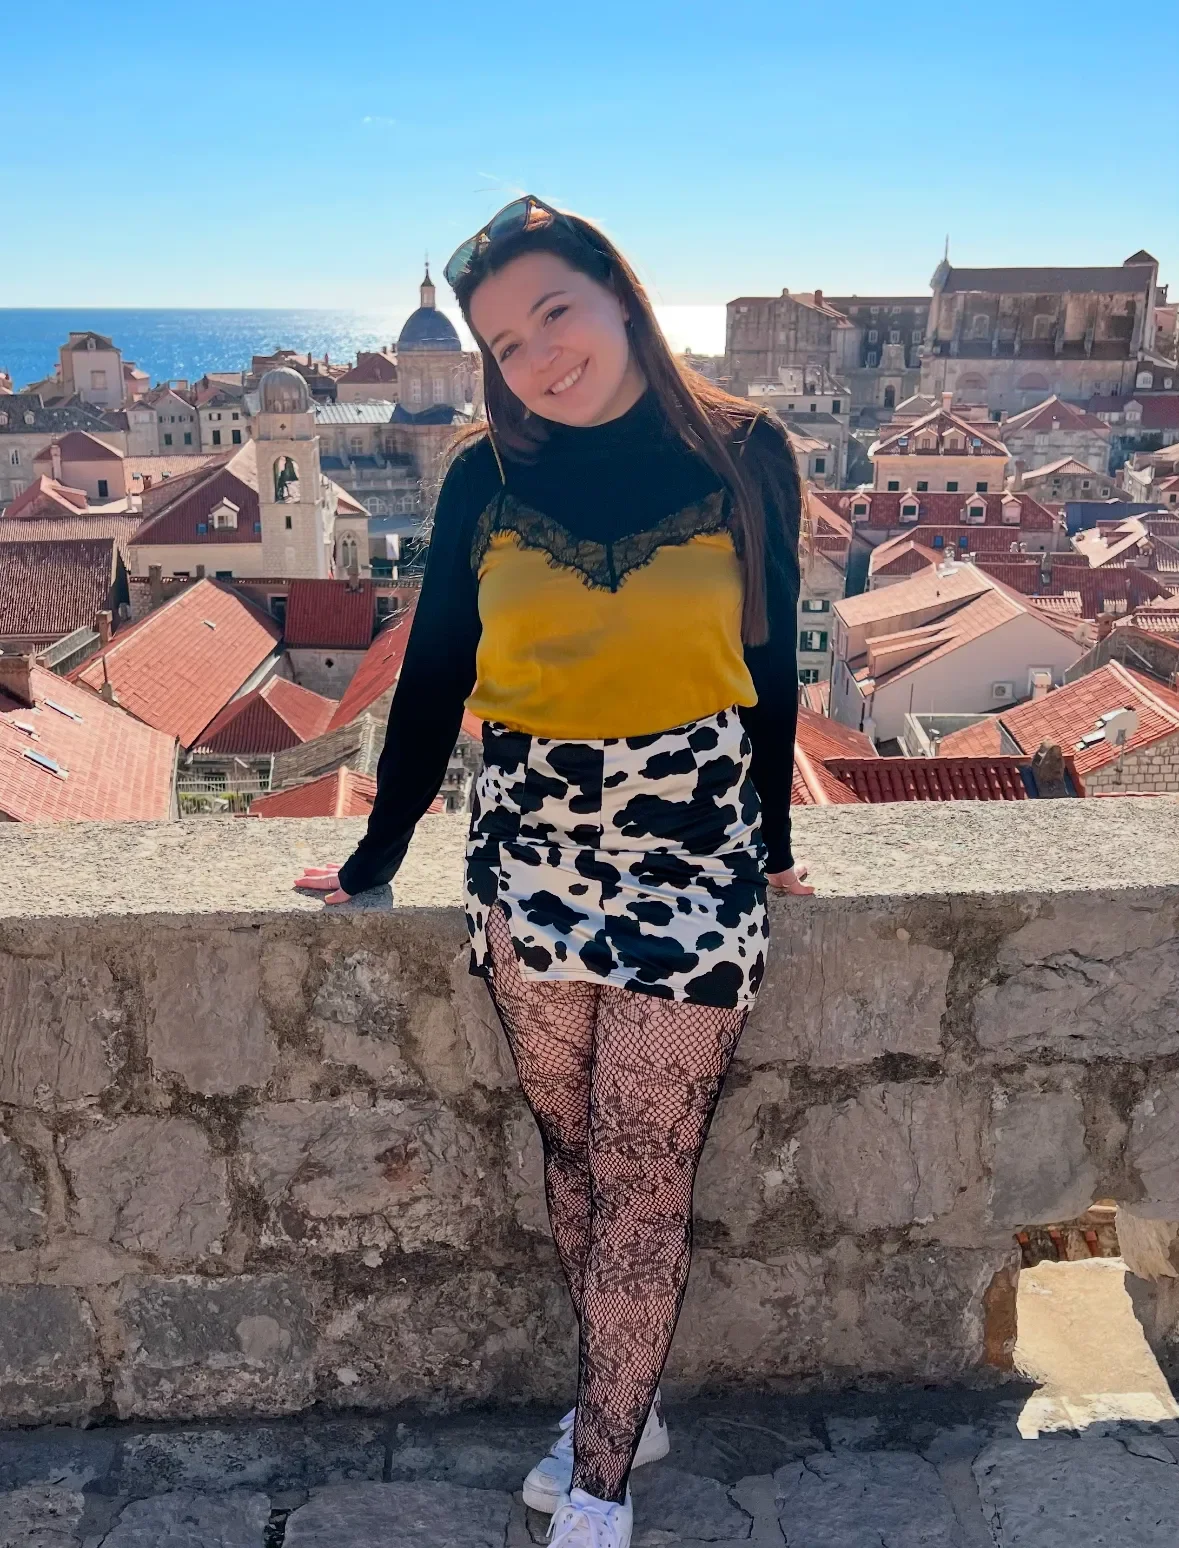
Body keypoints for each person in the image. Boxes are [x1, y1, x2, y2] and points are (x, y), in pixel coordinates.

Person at [296, 194, 813, 1548]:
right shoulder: (485, 472)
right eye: (502, 341)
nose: (535, 357)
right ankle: (621, 1399)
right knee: (577, 1152)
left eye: (553, 314)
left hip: (692, 855)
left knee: (646, 1170)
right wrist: (375, 850)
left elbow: (768, 668)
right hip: (528, 850)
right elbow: (436, 675)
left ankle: (597, 1484)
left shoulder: (747, 453)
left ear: (620, 295)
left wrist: (777, 839)